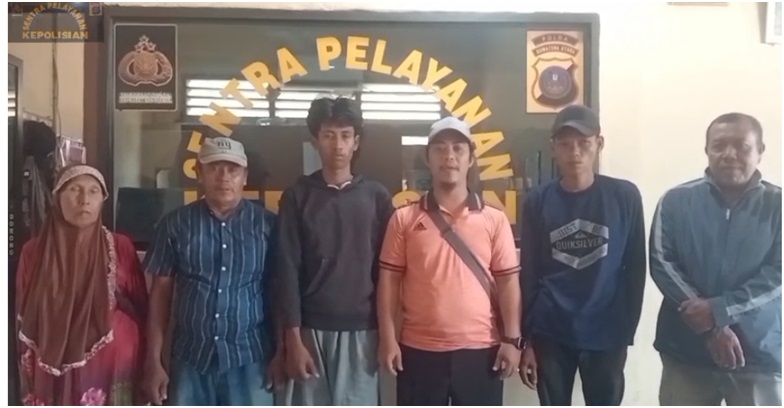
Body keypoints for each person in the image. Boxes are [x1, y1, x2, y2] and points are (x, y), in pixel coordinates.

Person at [377, 116, 523, 406]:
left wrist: (512, 340)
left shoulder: (494, 219)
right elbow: (389, 282)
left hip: (482, 351)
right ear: (428, 158)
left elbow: (508, 282)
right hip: (418, 351)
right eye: (440, 148)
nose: (449, 156)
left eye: (458, 148)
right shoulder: (404, 219)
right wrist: (388, 339)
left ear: (471, 158)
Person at [518, 105, 646, 406]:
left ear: (599, 144)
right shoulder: (537, 200)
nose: (574, 152)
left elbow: (635, 267)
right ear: (553, 148)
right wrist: (528, 338)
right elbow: (530, 273)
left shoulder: (624, 196)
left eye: (583, 143)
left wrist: (626, 329)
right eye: (565, 144)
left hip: (607, 330)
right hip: (551, 330)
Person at [650, 113, 781, 406]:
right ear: (707, 150)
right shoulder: (675, 201)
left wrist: (721, 310)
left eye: (741, 146)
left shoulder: (778, 205)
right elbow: (662, 263)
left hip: (755, 354)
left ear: (760, 151)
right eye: (719, 146)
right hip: (686, 352)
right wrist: (711, 329)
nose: (729, 154)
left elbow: (778, 274)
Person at [275, 97, 394, 406]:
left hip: (362, 331)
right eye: (328, 135)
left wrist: (389, 334)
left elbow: (388, 273)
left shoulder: (376, 197)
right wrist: (292, 338)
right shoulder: (297, 196)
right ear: (315, 141)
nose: (338, 145)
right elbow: (286, 269)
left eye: (345, 135)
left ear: (356, 142)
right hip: (309, 330)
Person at [142, 137, 279, 406]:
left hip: (251, 359)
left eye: (233, 170)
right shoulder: (174, 225)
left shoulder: (268, 226)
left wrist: (282, 352)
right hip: (190, 360)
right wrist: (153, 361)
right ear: (199, 174)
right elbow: (160, 298)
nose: (224, 177)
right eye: (215, 168)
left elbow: (279, 293)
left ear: (245, 177)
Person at [15, 164, 148, 406]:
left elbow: (141, 307)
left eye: (94, 191)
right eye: (75, 189)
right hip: (51, 365)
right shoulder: (33, 252)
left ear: (102, 201)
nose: (84, 199)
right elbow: (24, 315)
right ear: (57, 198)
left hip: (113, 366)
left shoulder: (120, 246)